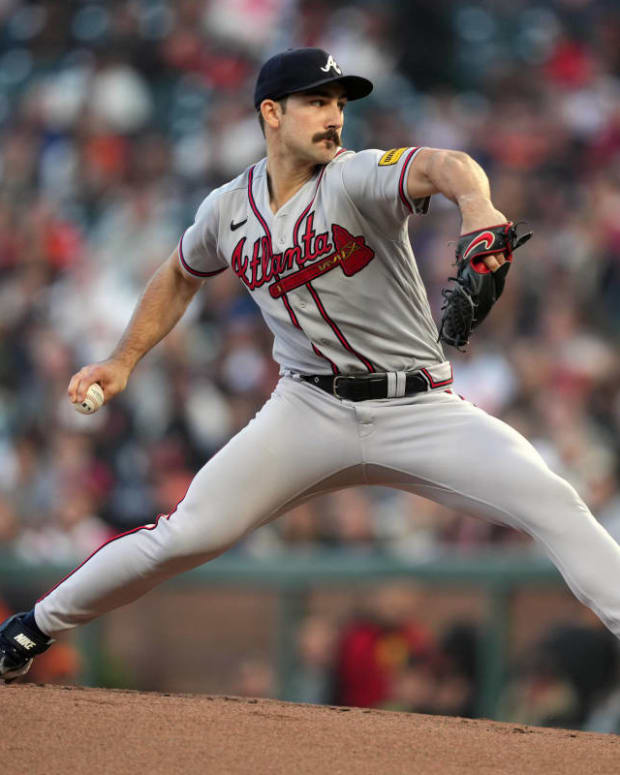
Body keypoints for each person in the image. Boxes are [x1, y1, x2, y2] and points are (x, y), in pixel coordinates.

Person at [3, 47, 620, 681]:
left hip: (417, 408)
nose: (334, 117)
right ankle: (28, 631)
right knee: (186, 534)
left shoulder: (355, 177)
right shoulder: (227, 208)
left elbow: (445, 164)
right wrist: (123, 359)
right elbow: (179, 275)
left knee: (553, 502)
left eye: (340, 103)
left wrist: (479, 207)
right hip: (307, 410)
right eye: (317, 101)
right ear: (272, 112)